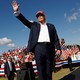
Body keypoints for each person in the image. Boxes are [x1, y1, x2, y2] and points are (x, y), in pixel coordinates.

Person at [12, 1, 61, 80]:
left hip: (49, 49)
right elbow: (25, 21)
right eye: (38, 16)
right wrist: (17, 12)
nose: (39, 17)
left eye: (41, 15)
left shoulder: (51, 26)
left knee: (49, 72)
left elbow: (56, 38)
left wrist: (58, 48)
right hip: (38, 49)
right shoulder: (34, 25)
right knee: (41, 71)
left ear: (44, 16)